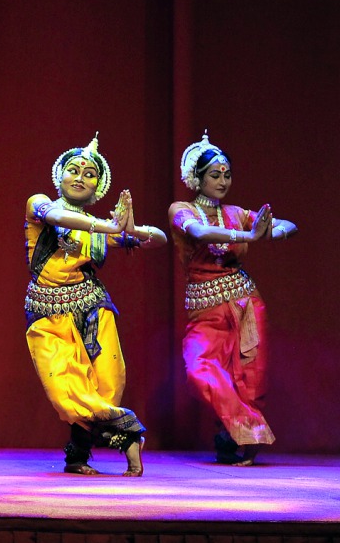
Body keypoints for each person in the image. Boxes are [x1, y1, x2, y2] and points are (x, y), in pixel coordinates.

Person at [24, 134, 166, 476]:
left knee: (106, 385)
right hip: (47, 314)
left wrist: (131, 228)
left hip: (93, 309)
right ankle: (127, 431)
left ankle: (79, 457)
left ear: (97, 188)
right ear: (60, 176)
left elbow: (158, 239)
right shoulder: (40, 204)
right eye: (73, 170)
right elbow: (60, 219)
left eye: (90, 175)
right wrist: (110, 226)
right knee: (65, 388)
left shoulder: (102, 230)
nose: (79, 177)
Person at [170, 131, 296, 466]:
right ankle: (249, 431)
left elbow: (289, 224)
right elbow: (199, 232)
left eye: (227, 175)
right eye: (215, 175)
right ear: (197, 179)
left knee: (248, 379)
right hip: (205, 312)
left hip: (245, 305)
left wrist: (272, 232)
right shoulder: (181, 210)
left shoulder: (238, 212)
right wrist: (249, 235)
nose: (223, 181)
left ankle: (239, 443)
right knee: (200, 370)